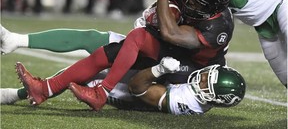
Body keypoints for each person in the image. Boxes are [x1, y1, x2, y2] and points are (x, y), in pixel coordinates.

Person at [13, 0, 235, 111]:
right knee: (113, 50)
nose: (189, 3)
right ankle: (44, 89)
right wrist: (156, 13)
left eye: (196, 4)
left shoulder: (217, 28)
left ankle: (101, 92)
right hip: (176, 48)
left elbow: (170, 33)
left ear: (211, 10)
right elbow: (168, 13)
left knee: (134, 41)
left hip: (191, 67)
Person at [2, 60, 246, 115]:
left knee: (90, 76)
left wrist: (160, 69)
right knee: (95, 61)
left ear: (214, 99)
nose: (200, 78)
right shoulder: (206, 77)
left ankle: (21, 94)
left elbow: (137, 87)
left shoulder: (187, 102)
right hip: (151, 78)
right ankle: (35, 91)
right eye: (207, 75)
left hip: (131, 95)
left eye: (205, 83)